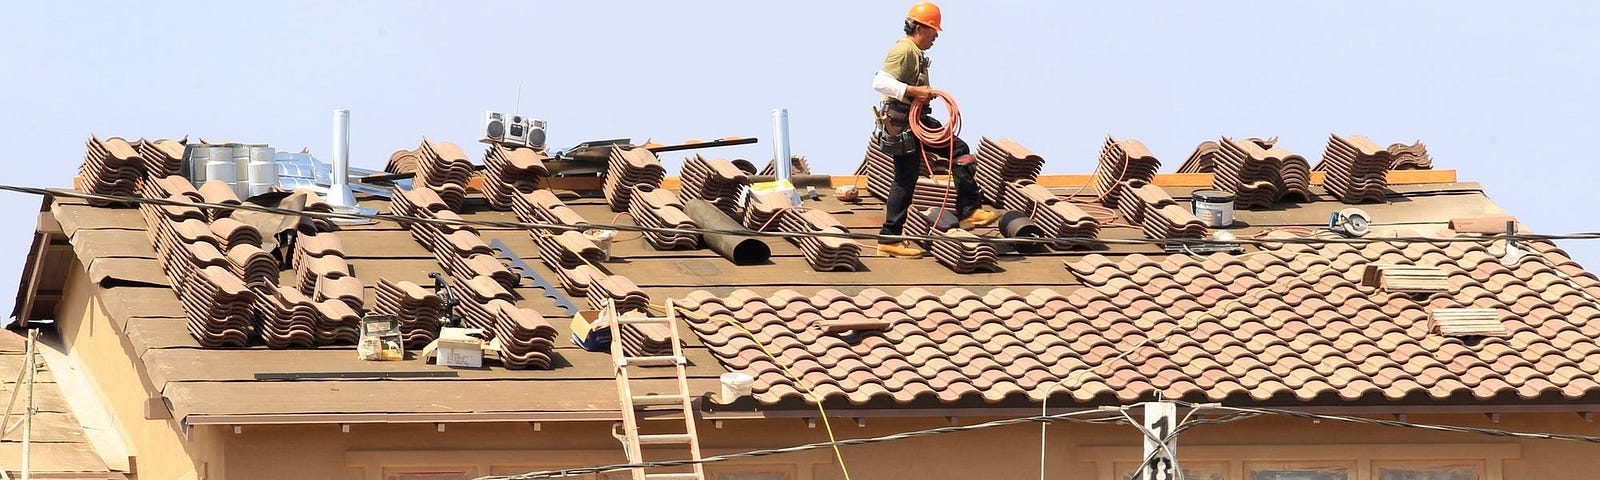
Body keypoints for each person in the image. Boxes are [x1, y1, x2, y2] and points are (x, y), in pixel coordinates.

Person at [871, 2, 996, 259]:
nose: (936, 36)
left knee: (907, 178)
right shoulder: (904, 49)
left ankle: (891, 237)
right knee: (954, 150)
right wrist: (915, 91)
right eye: (933, 31)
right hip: (906, 121)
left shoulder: (914, 51)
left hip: (909, 120)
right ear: (920, 28)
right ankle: (968, 211)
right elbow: (880, 82)